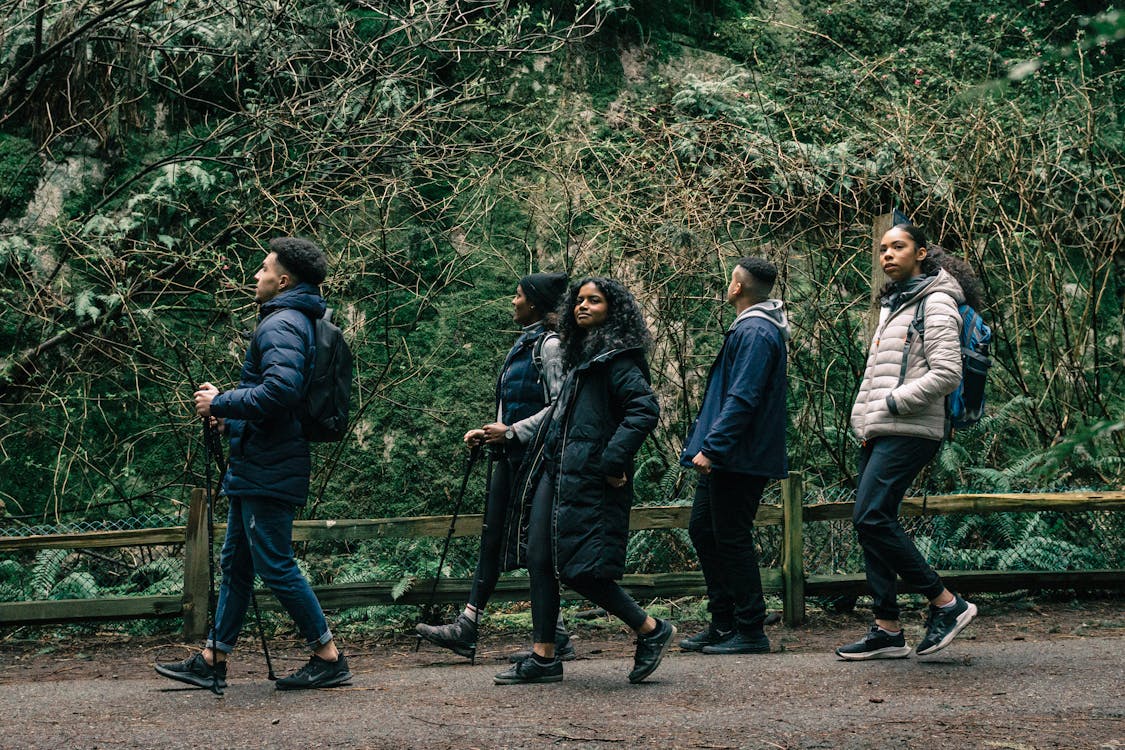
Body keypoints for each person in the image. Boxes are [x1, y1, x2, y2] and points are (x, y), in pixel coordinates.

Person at [155, 237, 352, 690]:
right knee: (238, 565)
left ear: (284, 281)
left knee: (275, 563)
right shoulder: (295, 320)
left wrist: (221, 400)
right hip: (262, 460)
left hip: (269, 466)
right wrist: (231, 417)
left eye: (264, 269)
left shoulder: (281, 323)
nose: (255, 276)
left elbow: (281, 391)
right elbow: (275, 403)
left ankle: (327, 655)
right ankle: (213, 658)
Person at [493, 277, 674, 686]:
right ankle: (543, 656)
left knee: (579, 571)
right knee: (539, 558)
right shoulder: (581, 355)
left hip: (590, 481)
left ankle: (651, 629)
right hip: (556, 472)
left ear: (614, 309)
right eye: (579, 301)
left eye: (595, 300)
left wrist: (612, 460)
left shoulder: (617, 358)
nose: (583, 306)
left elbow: (643, 410)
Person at [414, 272, 576, 662]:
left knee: (531, 545)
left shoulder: (551, 346)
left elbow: (560, 406)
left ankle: (545, 632)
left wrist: (512, 431)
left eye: (518, 296)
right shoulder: (524, 344)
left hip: (535, 460)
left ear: (535, 303)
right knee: (492, 534)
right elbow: (513, 402)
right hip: (510, 456)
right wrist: (489, 432)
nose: (513, 301)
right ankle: (480, 627)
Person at [837, 222, 980, 660]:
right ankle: (887, 628)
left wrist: (896, 404)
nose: (887, 255)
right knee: (870, 525)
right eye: (882, 249)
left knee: (872, 518)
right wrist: (867, 420)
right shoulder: (893, 306)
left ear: (921, 253)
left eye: (898, 247)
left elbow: (947, 373)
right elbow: (876, 374)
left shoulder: (935, 302)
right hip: (882, 428)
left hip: (912, 427)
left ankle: (946, 603)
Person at [678, 257, 790, 655]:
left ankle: (750, 629)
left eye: (730, 281)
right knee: (704, 531)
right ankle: (723, 623)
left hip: (739, 456)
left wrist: (714, 448)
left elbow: (744, 396)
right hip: (730, 453)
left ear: (737, 287)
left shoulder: (758, 332)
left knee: (731, 536)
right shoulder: (750, 328)